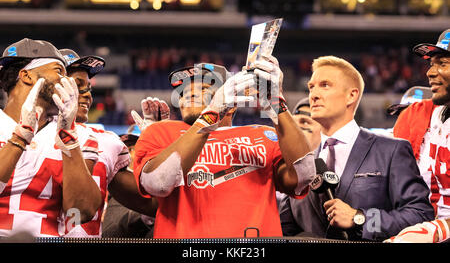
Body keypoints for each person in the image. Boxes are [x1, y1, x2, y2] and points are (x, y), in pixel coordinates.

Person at [133, 59, 316, 238]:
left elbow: (303, 175)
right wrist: (211, 114)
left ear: (233, 100)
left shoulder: (263, 135)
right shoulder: (161, 130)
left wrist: (276, 100)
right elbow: (158, 183)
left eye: (203, 89)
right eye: (183, 92)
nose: (188, 94)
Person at [280, 55, 434, 241]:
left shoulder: (390, 151)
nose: (313, 94)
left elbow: (420, 215)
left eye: (325, 85)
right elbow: (285, 228)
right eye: (311, 87)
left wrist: (360, 218)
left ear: (351, 95)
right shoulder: (302, 162)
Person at [0, 39, 102, 238]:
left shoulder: (78, 134)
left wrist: (69, 139)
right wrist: (20, 138)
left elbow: (82, 212)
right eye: (59, 72)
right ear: (27, 75)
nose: (68, 81)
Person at [59, 49, 158, 237]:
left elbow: (153, 204)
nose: (87, 95)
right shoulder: (18, 134)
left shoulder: (105, 141)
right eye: (77, 85)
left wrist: (159, 145)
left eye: (88, 88)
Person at [386, 29, 450, 243]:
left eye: (443, 63)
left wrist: (438, 230)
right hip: (415, 223)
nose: (430, 72)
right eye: (432, 63)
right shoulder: (419, 114)